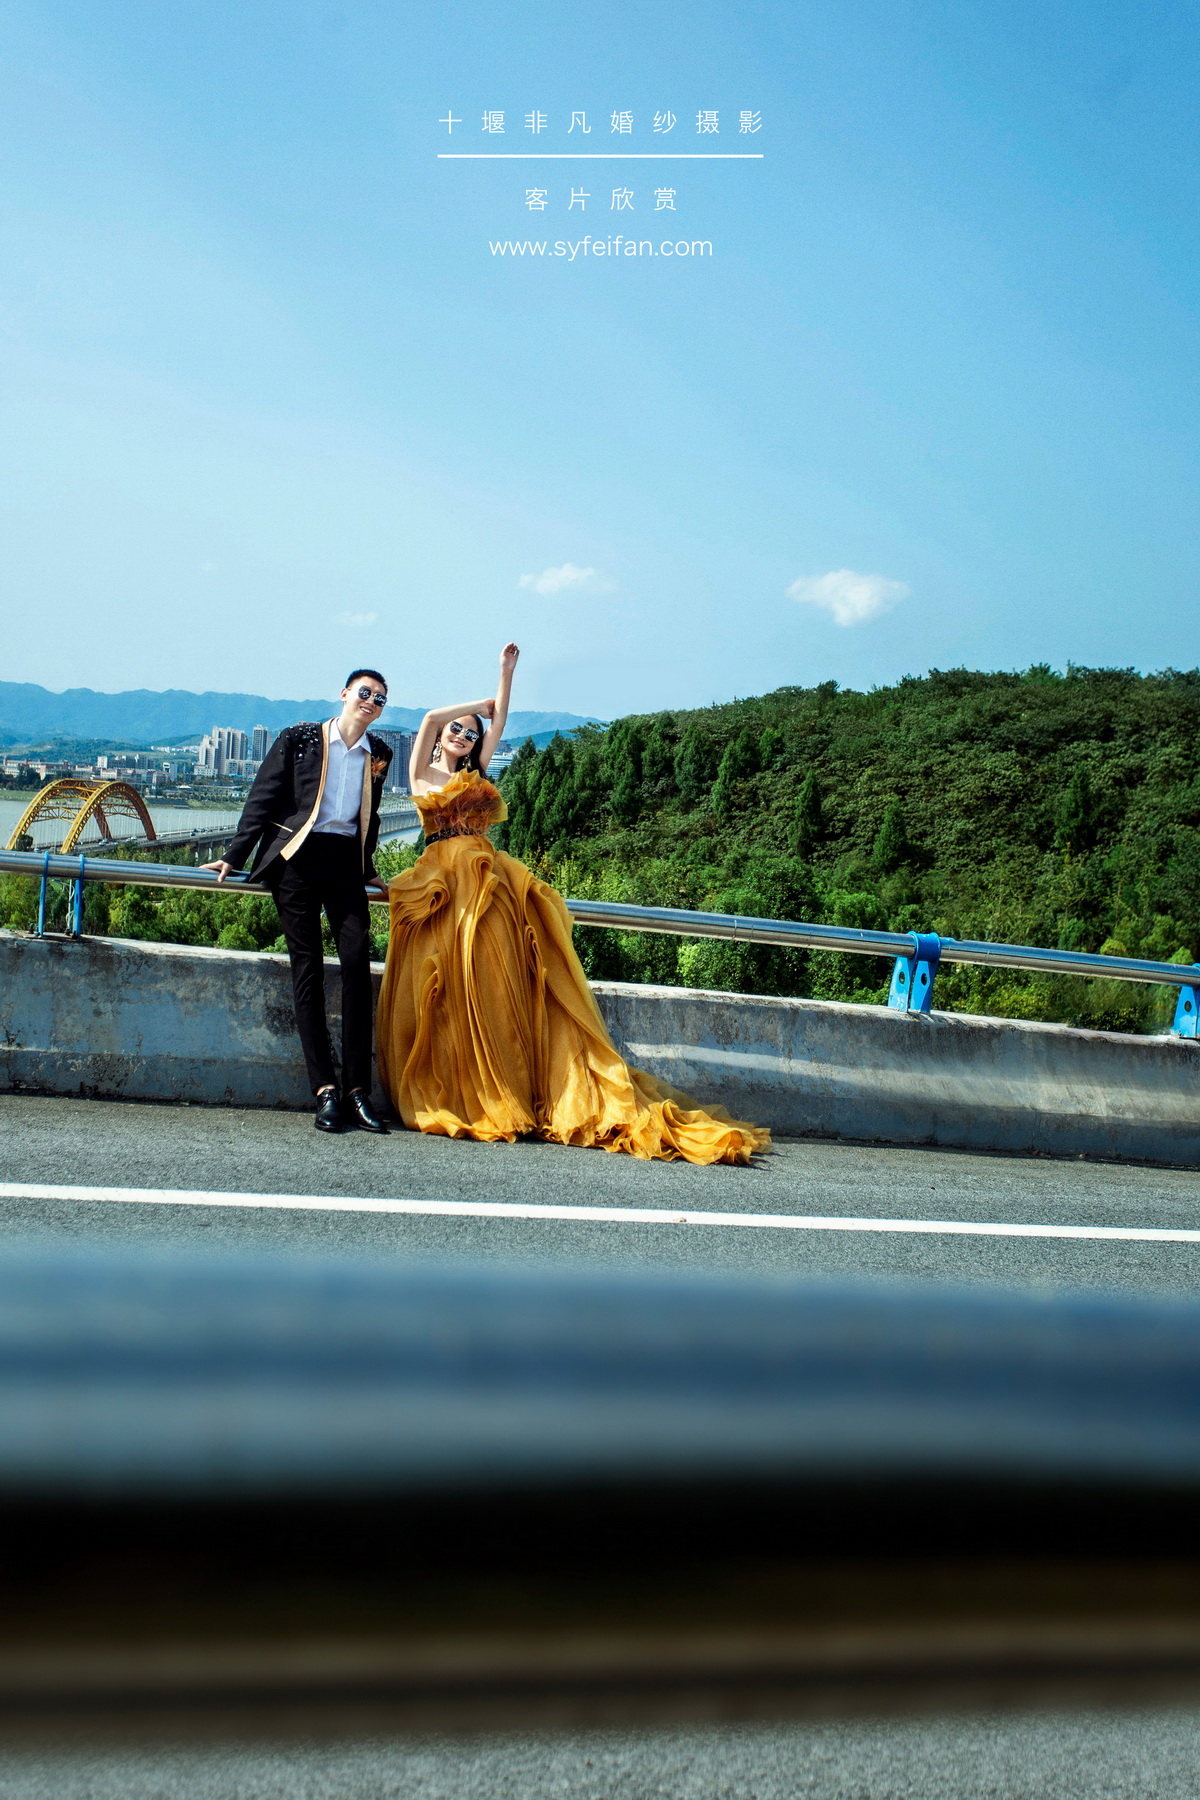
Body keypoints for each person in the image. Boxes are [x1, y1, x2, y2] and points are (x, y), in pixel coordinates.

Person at [374, 643, 769, 1164]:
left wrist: (505, 675)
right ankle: (463, 1092)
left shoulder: (478, 770)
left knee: (491, 983)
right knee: (445, 990)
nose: (463, 736)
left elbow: (498, 721)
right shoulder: (423, 776)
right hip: (441, 888)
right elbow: (428, 719)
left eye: (470, 733)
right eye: (458, 730)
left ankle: (507, 1088)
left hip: (488, 885)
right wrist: (475, 705)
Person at [203, 671, 394, 1135]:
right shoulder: (301, 738)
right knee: (306, 968)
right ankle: (325, 1090)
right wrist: (234, 855)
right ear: (344, 694)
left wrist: (367, 867)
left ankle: (357, 1091)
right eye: (364, 693)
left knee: (356, 963)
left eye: (380, 699)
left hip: (345, 865)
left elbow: (369, 816)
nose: (371, 702)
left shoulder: (379, 753)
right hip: (296, 860)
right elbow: (263, 798)